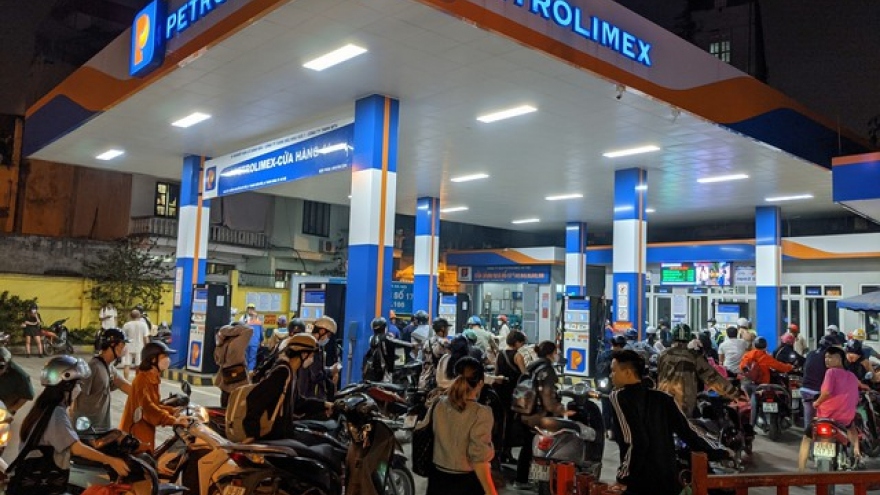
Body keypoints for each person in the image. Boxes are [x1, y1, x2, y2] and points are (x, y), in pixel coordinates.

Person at [609, 350, 729, 495]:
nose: (611, 375)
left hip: (641, 482)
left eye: (613, 371)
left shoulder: (619, 397)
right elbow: (688, 431)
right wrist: (719, 450)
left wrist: (623, 478)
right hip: (668, 479)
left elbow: (636, 442)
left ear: (628, 373)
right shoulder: (662, 398)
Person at [7, 356, 129, 494]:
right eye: (77, 384)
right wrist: (111, 461)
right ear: (66, 386)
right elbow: (77, 448)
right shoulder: (56, 414)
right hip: (40, 488)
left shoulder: (43, 408)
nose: (79, 389)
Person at [427, 357, 497, 495]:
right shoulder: (481, 413)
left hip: (437, 479)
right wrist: (491, 492)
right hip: (465, 483)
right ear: (480, 383)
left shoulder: (438, 404)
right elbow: (479, 459)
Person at [242, 334, 330, 441]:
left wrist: (324, 405)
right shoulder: (282, 372)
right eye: (311, 356)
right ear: (304, 354)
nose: (312, 360)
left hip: (285, 431)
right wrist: (252, 434)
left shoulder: (292, 373)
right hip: (274, 435)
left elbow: (298, 403)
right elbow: (254, 398)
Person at [516, 341, 573, 489]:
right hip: (539, 415)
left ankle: (521, 479)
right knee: (543, 448)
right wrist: (561, 410)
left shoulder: (533, 365)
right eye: (556, 352)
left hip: (525, 412)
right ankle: (540, 483)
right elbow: (547, 397)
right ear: (550, 353)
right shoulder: (547, 369)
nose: (557, 355)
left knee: (528, 446)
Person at [797, 346, 861, 471]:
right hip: (846, 418)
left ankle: (800, 471)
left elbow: (827, 392)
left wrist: (816, 403)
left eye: (831, 357)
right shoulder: (852, 376)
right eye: (826, 357)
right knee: (852, 428)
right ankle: (856, 453)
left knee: (806, 438)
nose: (827, 360)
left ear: (840, 359)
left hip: (827, 416)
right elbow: (855, 397)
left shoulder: (831, 372)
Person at [657, 324, 739, 417]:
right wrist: (735, 394)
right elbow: (713, 378)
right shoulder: (694, 356)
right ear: (689, 338)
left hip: (662, 403)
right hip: (684, 405)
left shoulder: (662, 355)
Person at [119, 342, 189, 452]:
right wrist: (173, 420)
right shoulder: (142, 380)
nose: (167, 359)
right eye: (164, 356)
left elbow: (155, 405)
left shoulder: (152, 378)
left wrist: (173, 411)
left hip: (144, 432)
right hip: (135, 435)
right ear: (153, 359)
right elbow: (148, 409)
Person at [71, 329, 131, 430]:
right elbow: (76, 396)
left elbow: (124, 385)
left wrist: (146, 398)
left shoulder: (109, 367)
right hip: (87, 429)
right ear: (112, 345)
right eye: (122, 345)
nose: (125, 348)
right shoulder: (93, 367)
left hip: (101, 427)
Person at [739, 337, 795, 426]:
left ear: (754, 345)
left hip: (747, 383)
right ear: (765, 346)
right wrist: (790, 367)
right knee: (755, 402)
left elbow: (742, 367)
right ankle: (752, 424)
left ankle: (752, 423)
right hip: (761, 385)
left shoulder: (747, 355)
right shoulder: (765, 357)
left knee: (752, 403)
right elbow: (780, 366)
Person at [495, 329, 526, 462]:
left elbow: (496, 372)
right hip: (512, 392)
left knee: (501, 421)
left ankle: (500, 450)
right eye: (521, 343)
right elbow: (524, 374)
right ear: (517, 342)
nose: (522, 345)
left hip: (500, 391)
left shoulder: (500, 354)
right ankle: (507, 451)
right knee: (510, 422)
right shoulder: (517, 356)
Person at [300, 316, 340, 401]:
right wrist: (331, 370)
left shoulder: (316, 346)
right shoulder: (312, 347)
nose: (328, 338)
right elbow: (315, 375)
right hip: (310, 395)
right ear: (322, 331)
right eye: (328, 335)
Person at [214, 323, 253, 407]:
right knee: (238, 401)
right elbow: (249, 330)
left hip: (225, 375)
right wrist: (231, 330)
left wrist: (223, 331)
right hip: (238, 374)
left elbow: (217, 360)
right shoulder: (236, 342)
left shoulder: (221, 343)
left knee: (225, 399)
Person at [799, 336, 833, 430]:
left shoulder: (811, 353)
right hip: (818, 392)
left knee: (808, 420)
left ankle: (807, 435)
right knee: (825, 418)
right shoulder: (828, 357)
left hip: (805, 390)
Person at [596, 335, 627, 439]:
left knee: (610, 408)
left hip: (611, 385)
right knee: (610, 408)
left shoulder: (605, 355)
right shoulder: (619, 356)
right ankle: (608, 428)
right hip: (610, 385)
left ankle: (611, 429)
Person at [0, 347, 34, 415]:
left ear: (8, 364)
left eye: (0, 366)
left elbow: (26, 396)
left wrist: (11, 410)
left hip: (7, 399)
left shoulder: (21, 376)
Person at [419, 317, 451, 389]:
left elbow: (423, 358)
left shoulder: (427, 341)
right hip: (439, 378)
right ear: (442, 328)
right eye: (447, 328)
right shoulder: (443, 342)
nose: (448, 330)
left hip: (426, 377)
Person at [363, 317, 395, 382]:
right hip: (384, 370)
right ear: (384, 327)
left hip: (373, 370)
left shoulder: (371, 338)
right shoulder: (387, 337)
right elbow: (390, 354)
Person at [121, 309, 150, 380]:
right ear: (139, 316)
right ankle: (137, 381)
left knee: (127, 365)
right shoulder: (143, 325)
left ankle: (126, 381)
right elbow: (146, 338)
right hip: (140, 347)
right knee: (138, 365)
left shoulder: (126, 325)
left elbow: (122, 338)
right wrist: (148, 348)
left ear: (130, 316)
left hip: (128, 347)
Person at [241, 303, 263, 371]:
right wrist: (261, 341)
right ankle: (249, 371)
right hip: (252, 343)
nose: (251, 310)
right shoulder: (258, 322)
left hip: (247, 342)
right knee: (252, 358)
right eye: (249, 308)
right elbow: (261, 334)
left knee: (247, 357)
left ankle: (247, 371)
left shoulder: (246, 322)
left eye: (252, 309)